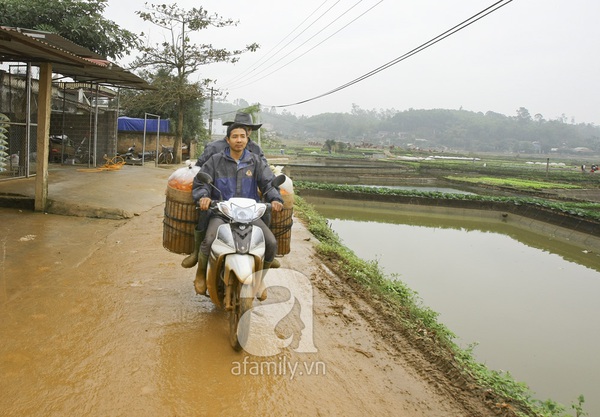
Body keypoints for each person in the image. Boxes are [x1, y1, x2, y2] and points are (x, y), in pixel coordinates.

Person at [190, 122, 284, 296]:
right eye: (235, 136)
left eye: (242, 136)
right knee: (209, 239)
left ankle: (260, 278)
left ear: (247, 139)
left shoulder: (255, 161)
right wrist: (204, 196)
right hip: (222, 212)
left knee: (270, 243)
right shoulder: (215, 160)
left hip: (249, 214)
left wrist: (275, 199)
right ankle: (201, 273)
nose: (239, 140)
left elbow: (269, 184)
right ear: (228, 140)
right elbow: (201, 182)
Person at [181, 112, 267, 269]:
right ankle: (197, 252)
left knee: (268, 224)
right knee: (204, 218)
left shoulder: (255, 150)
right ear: (230, 134)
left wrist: (273, 196)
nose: (242, 136)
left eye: (247, 130)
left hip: (247, 205)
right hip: (219, 202)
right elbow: (201, 171)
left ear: (249, 133)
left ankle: (265, 258)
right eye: (237, 133)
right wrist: (204, 195)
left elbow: (265, 173)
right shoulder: (215, 149)